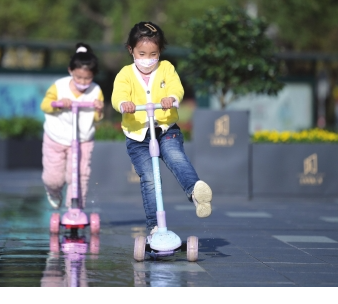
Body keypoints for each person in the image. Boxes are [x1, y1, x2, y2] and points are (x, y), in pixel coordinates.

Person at [111, 21, 213, 240]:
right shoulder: (125, 74)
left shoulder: (166, 68)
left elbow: (177, 87)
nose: (148, 58)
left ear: (160, 52)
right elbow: (117, 95)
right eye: (142, 53)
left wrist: (172, 98)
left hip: (165, 129)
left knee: (177, 158)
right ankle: (155, 227)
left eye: (153, 53)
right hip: (138, 135)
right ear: (131, 50)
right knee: (149, 178)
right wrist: (123, 104)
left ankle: (195, 193)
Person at [40, 43, 105, 210]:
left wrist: (99, 109)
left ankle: (74, 208)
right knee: (53, 178)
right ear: (70, 71)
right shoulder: (59, 86)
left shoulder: (96, 90)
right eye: (78, 78)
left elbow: (97, 118)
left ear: (93, 75)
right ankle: (54, 191)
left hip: (82, 140)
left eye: (87, 78)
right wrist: (59, 103)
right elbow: (45, 105)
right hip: (56, 138)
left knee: (79, 175)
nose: (83, 82)